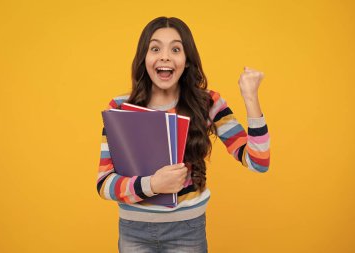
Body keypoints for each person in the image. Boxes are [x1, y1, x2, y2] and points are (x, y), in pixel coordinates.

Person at [96, 16, 270, 253]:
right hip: (133, 232)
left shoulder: (208, 103)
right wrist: (154, 184)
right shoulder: (119, 108)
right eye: (155, 48)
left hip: (188, 232)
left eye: (175, 49)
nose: (165, 56)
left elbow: (258, 162)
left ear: (186, 60)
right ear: (144, 59)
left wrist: (250, 98)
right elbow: (104, 184)